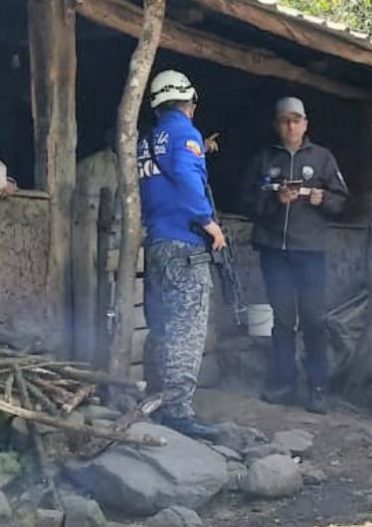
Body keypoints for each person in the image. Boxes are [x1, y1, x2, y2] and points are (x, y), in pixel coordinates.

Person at [241, 97, 349, 414]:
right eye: (284, 120)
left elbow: (342, 201)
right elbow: (246, 202)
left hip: (310, 251)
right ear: (276, 125)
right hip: (274, 250)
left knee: (314, 320)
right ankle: (284, 385)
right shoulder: (264, 158)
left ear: (305, 124)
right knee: (283, 321)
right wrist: (275, 200)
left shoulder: (322, 158)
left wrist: (323, 199)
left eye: (296, 120)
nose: (291, 126)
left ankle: (318, 389)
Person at [136, 70, 226, 440]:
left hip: (157, 242)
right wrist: (208, 222)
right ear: (190, 104)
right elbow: (188, 178)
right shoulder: (184, 134)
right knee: (186, 329)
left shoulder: (147, 139)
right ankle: (178, 411)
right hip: (185, 244)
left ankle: (156, 400)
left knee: (161, 326)